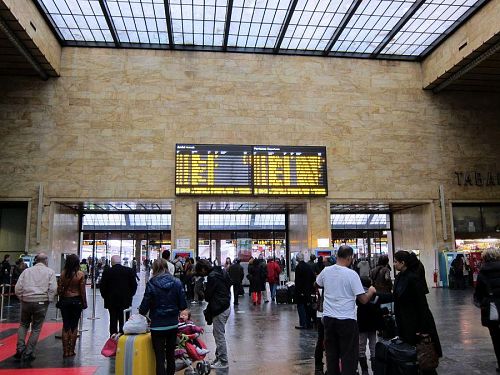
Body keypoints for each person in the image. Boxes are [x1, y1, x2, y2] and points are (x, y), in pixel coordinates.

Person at [315, 245, 376, 375]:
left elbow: (317, 283)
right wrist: (370, 291)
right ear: (349, 258)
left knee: (331, 356)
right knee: (348, 357)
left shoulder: (326, 271)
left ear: (337, 256)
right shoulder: (352, 274)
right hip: (347, 320)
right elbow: (363, 300)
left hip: (329, 320)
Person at [393, 250, 442, 375]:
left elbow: (422, 305)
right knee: (411, 356)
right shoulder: (399, 277)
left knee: (424, 357)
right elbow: (396, 297)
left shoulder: (413, 278)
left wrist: (422, 327)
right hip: (405, 322)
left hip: (415, 323)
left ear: (402, 263)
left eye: (395, 261)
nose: (393, 264)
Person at [139, 259, 187, 375]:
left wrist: (142, 312)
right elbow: (183, 305)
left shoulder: (151, 283)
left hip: (157, 326)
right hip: (172, 324)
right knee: (170, 355)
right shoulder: (177, 282)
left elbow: (143, 308)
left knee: (159, 358)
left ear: (154, 269)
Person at [14, 253, 57, 361]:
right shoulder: (50, 272)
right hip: (41, 302)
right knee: (36, 328)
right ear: (46, 260)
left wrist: (21, 297)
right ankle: (29, 352)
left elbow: (18, 287)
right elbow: (53, 288)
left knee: (23, 324)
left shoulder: (26, 271)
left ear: (36, 260)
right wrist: (49, 299)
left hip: (26, 301)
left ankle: (20, 348)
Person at [195, 259, 231, 369]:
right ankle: (219, 357)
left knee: (219, 335)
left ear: (203, 269)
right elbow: (229, 283)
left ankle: (223, 361)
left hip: (219, 308)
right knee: (218, 334)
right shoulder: (221, 271)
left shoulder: (212, 276)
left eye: (200, 272)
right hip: (225, 305)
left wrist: (201, 289)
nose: (201, 274)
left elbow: (208, 296)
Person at [474, 248, 500, 373]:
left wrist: (481, 303)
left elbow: (478, 294)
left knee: (496, 338)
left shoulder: (482, 273)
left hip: (492, 310)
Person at [57, 254, 87, 357]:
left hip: (65, 301)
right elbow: (82, 291)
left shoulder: (63, 274)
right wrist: (84, 303)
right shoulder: (80, 274)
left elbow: (59, 290)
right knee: (74, 326)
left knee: (66, 325)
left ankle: (65, 351)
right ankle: (71, 350)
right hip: (76, 301)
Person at [99, 255, 138, 335]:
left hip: (111, 301)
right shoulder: (129, 271)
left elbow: (102, 287)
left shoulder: (107, 272)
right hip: (125, 301)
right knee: (124, 321)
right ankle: (123, 338)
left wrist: (105, 297)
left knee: (113, 320)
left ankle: (113, 339)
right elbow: (134, 285)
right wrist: (130, 295)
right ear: (120, 262)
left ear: (111, 262)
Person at [357, 277, 384, 375]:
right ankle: (375, 369)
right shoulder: (374, 294)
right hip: (372, 325)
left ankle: (364, 370)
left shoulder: (359, 295)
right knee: (373, 348)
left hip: (362, 325)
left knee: (361, 348)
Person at [294, 252, 316, 329]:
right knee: (307, 307)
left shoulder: (298, 267)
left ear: (297, 259)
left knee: (300, 307)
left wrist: (298, 291)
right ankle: (308, 323)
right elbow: (313, 277)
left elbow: (298, 281)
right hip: (308, 290)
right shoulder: (308, 266)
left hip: (300, 291)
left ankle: (303, 323)